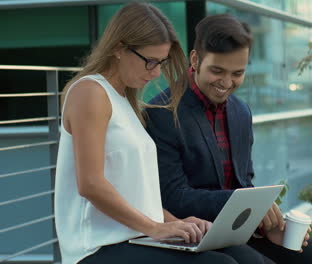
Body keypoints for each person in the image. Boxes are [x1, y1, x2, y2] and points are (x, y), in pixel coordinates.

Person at [54, 3, 270, 264]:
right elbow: (90, 184)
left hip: (135, 237)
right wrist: (156, 228)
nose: (156, 72)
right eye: (150, 61)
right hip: (96, 247)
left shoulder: (125, 102)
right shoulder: (90, 92)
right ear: (120, 48)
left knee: (245, 259)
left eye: (162, 62)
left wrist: (175, 223)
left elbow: (133, 193)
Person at [146, 14, 312, 264]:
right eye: (217, 71)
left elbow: (243, 181)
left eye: (238, 73)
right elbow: (173, 197)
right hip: (193, 233)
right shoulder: (161, 112)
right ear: (195, 59)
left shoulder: (240, 112)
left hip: (238, 229)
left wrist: (267, 226)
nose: (226, 83)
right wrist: (238, 202)